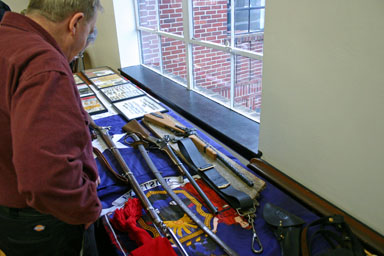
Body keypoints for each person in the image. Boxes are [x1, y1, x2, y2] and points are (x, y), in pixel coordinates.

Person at [0, 1, 103, 255]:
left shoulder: (7, 38)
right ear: (75, 23)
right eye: (89, 32)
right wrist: (86, 209)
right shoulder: (43, 64)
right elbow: (45, 178)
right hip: (42, 218)